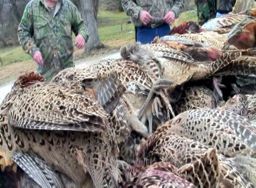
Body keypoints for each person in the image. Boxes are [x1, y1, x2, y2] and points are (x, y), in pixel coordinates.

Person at [18, 0, 88, 81]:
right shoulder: (32, 7)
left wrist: (81, 35)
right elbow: (23, 32)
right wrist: (33, 50)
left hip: (69, 74)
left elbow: (81, 26)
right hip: (45, 77)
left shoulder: (69, 6)